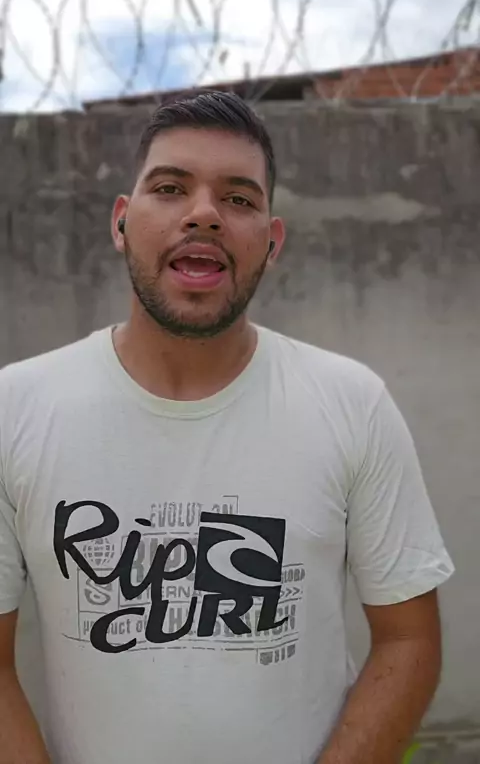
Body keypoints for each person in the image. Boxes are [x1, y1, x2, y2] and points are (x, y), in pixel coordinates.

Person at [0, 90, 454, 764]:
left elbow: (408, 640)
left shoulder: (351, 404)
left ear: (271, 243)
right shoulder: (16, 408)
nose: (204, 213)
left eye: (239, 198)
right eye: (170, 188)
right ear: (121, 222)